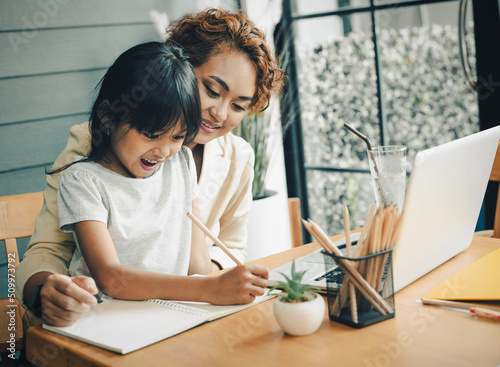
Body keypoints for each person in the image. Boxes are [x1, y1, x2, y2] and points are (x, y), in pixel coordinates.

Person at [16, 8, 284, 327]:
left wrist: (208, 283)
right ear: (178, 70)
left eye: (239, 105)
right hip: (100, 321)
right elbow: (49, 250)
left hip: (182, 315)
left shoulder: (235, 157)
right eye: (212, 90)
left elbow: (230, 246)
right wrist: (43, 290)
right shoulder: (92, 146)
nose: (220, 113)